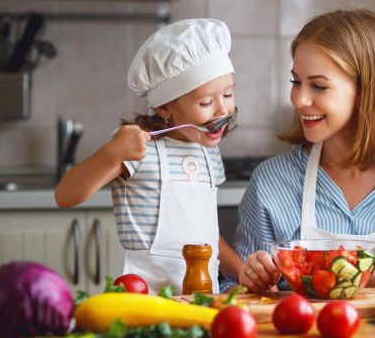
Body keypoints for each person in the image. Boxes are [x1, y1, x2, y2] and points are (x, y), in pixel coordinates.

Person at [223, 9, 375, 293]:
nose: (299, 99)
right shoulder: (271, 183)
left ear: (368, 91)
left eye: (319, 86)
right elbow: (237, 294)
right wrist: (253, 277)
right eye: (296, 81)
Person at [54, 18, 244, 294]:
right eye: (205, 102)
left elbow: (206, 234)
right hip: (146, 299)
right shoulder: (136, 149)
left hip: (204, 297)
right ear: (165, 107)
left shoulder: (207, 153)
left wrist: (241, 272)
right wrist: (111, 154)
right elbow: (65, 195)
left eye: (228, 94)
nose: (222, 110)